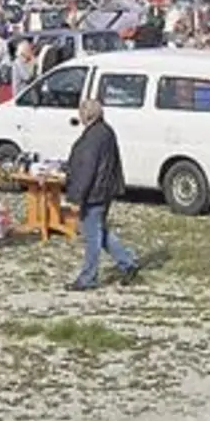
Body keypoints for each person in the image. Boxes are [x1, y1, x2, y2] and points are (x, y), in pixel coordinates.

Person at [63, 99, 140, 291]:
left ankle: (88, 278)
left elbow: (87, 170)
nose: (79, 116)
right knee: (100, 233)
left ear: (87, 115)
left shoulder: (93, 138)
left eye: (81, 112)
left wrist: (76, 197)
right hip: (104, 190)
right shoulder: (105, 131)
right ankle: (128, 263)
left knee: (92, 237)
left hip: (94, 193)